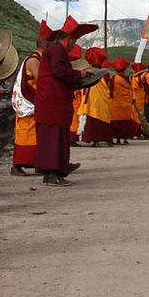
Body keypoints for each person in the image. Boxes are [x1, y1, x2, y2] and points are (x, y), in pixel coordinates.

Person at [33, 15, 95, 186]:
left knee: (55, 135)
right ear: (68, 39)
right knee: (53, 136)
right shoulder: (57, 50)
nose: (74, 45)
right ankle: (52, 173)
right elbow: (59, 72)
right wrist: (80, 74)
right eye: (74, 41)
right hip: (52, 101)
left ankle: (54, 171)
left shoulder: (54, 50)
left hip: (53, 99)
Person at [11, 21, 50, 175]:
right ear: (45, 45)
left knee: (38, 135)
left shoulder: (40, 59)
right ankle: (17, 165)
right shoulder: (34, 60)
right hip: (29, 102)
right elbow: (42, 80)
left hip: (37, 101)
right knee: (28, 134)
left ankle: (43, 163)